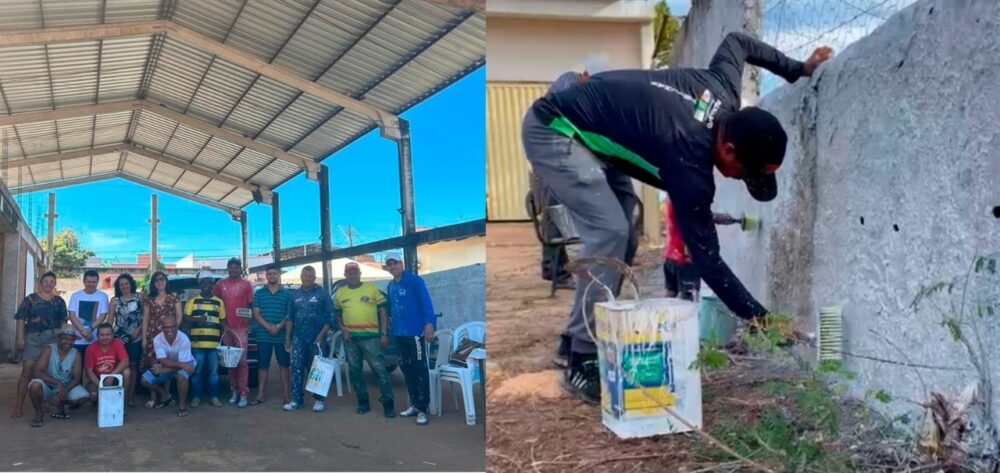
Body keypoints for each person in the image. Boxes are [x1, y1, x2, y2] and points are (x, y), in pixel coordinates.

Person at [521, 32, 834, 403]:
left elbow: (738, 42)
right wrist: (763, 320)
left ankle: (573, 337)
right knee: (609, 230)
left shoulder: (721, 90)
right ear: (728, 149)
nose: (740, 181)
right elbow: (709, 261)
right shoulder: (690, 164)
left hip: (594, 128)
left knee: (625, 233)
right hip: (556, 129)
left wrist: (799, 69)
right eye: (744, 173)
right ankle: (581, 359)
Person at [334, 262, 395, 418]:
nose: (352, 274)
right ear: (345, 275)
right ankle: (363, 402)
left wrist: (383, 333)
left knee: (379, 370)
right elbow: (337, 315)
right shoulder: (340, 293)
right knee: (355, 371)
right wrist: (343, 329)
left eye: (355, 271)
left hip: (372, 338)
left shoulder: (372, 289)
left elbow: (383, 312)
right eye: (349, 272)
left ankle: (388, 404)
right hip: (350, 339)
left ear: (359, 273)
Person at [384, 253, 435, 425]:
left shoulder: (415, 281)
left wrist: (429, 323)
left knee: (420, 369)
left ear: (401, 264)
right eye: (389, 264)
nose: (393, 267)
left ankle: (423, 409)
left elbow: (426, 303)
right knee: (406, 369)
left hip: (415, 333)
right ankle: (414, 404)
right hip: (399, 334)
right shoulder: (390, 286)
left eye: (395, 263)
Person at [11, 271, 68, 419]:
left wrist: (62, 340)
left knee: (47, 371)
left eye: (52, 282)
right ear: (40, 283)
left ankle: (42, 401)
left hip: (52, 339)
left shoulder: (59, 301)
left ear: (55, 284)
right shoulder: (29, 300)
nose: (48, 284)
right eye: (46, 281)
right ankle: (18, 405)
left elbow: (63, 322)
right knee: (27, 371)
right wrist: (20, 339)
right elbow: (20, 319)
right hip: (33, 339)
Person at [663, 201, 741, 300]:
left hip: (670, 256)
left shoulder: (672, 195)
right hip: (684, 258)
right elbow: (695, 217)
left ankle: (661, 315)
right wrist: (719, 217)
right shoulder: (683, 197)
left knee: (671, 294)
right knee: (689, 298)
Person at [283, 265, 334, 413]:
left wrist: (321, 335)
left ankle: (319, 400)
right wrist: (288, 338)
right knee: (296, 368)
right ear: (301, 277)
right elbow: (290, 318)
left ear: (314, 277)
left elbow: (330, 317)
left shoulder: (322, 293)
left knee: (317, 369)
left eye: (310, 276)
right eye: (305, 275)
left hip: (317, 338)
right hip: (298, 338)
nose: (307, 278)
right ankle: (296, 400)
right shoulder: (294, 295)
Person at [26, 328, 89, 427]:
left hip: (65, 386)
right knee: (34, 386)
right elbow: (37, 372)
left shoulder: (76, 353)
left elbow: (77, 378)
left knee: (84, 397)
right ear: (58, 339)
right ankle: (39, 413)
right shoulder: (49, 349)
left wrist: (64, 391)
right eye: (65, 338)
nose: (68, 342)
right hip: (48, 386)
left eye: (71, 340)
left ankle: (61, 405)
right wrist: (57, 383)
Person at [213, 258, 254, 408]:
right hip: (226, 328)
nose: (234, 270)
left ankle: (243, 393)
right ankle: (234, 390)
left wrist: (247, 317)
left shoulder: (247, 285)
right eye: (231, 267)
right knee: (230, 362)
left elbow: (250, 305)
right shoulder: (220, 285)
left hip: (241, 328)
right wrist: (222, 324)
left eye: (236, 267)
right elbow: (215, 304)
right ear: (227, 269)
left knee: (242, 362)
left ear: (240, 269)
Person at [140, 314, 195, 417]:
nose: (169, 329)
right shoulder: (157, 339)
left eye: (172, 326)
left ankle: (182, 406)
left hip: (185, 363)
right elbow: (163, 360)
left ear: (177, 326)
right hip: (171, 364)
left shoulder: (184, 339)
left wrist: (164, 370)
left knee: (181, 376)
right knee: (144, 380)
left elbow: (183, 364)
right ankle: (165, 394)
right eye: (166, 327)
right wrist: (159, 367)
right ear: (162, 327)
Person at [184, 270, 225, 408]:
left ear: (212, 284)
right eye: (203, 282)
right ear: (199, 284)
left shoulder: (219, 302)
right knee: (197, 372)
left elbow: (223, 322)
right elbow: (185, 319)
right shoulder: (192, 301)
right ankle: (196, 397)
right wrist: (197, 319)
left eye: (209, 282)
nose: (206, 284)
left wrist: (222, 340)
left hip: (214, 345)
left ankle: (214, 397)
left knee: (214, 373)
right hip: (197, 344)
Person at [141, 271, 182, 406]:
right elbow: (145, 318)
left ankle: (166, 395)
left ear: (166, 281)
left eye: (162, 279)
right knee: (153, 365)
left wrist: (173, 332)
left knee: (166, 364)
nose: (160, 282)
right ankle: (155, 397)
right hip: (152, 335)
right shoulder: (149, 298)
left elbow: (179, 315)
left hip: (168, 335)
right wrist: (144, 338)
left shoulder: (174, 297)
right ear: (153, 283)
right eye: (157, 280)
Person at [251, 264, 291, 406]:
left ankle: (286, 395)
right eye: (270, 274)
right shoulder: (259, 293)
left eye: (275, 273)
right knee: (262, 365)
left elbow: (289, 314)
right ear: (266, 276)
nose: (272, 276)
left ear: (279, 275)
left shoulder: (287, 294)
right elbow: (256, 313)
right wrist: (269, 327)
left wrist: (279, 326)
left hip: (281, 335)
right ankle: (260, 394)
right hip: (263, 334)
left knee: (284, 365)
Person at [67, 270, 110, 394]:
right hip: (78, 340)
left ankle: (95, 395)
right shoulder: (76, 295)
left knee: (95, 369)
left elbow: (103, 315)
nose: (91, 284)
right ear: (84, 282)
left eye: (94, 282)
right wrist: (82, 330)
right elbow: (72, 315)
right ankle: (76, 395)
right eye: (88, 282)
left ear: (97, 282)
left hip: (95, 339)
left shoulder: (102, 296)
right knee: (76, 370)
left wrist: (90, 329)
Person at [110, 273, 143, 407]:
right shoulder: (114, 300)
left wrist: (138, 330)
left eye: (127, 283)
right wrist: (108, 336)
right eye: (121, 284)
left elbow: (145, 316)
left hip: (136, 337)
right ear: (118, 287)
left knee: (134, 366)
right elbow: (110, 319)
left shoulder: (140, 297)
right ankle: (118, 394)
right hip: (119, 339)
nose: (124, 286)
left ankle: (130, 395)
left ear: (131, 284)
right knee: (120, 366)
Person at [84, 323, 131, 406]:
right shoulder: (91, 348)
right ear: (97, 336)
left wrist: (111, 375)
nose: (105, 337)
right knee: (92, 396)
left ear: (112, 335)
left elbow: (125, 361)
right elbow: (89, 372)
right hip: (98, 378)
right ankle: (98, 402)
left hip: (114, 376)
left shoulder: (118, 344)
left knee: (127, 372)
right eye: (102, 335)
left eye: (108, 334)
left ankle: (122, 400)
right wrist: (101, 386)